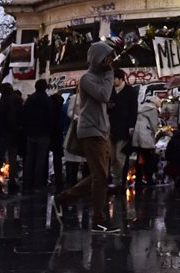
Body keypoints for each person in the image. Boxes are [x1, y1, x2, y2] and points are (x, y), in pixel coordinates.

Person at [58, 41, 119, 232]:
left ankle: (64, 198)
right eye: (106, 57)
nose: (109, 62)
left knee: (99, 175)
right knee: (100, 176)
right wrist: (110, 74)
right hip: (91, 130)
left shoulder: (99, 78)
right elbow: (104, 95)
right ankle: (98, 220)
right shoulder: (87, 78)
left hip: (101, 130)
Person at [21, 80, 53, 195]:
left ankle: (27, 183)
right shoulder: (47, 100)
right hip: (43, 133)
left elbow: (24, 116)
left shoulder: (30, 100)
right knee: (40, 160)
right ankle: (38, 184)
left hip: (31, 133)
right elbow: (50, 118)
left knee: (30, 159)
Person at [109, 69, 138, 190]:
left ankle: (121, 181)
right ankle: (116, 179)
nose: (112, 81)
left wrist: (131, 126)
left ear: (120, 79)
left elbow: (133, 110)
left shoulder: (130, 91)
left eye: (114, 78)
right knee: (112, 157)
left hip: (124, 129)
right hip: (111, 128)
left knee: (120, 156)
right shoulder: (111, 91)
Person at [131, 91, 161, 190]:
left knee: (140, 158)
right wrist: (155, 133)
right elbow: (153, 125)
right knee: (149, 158)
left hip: (137, 135)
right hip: (146, 135)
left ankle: (139, 180)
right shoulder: (152, 110)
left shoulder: (141, 108)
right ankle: (149, 179)